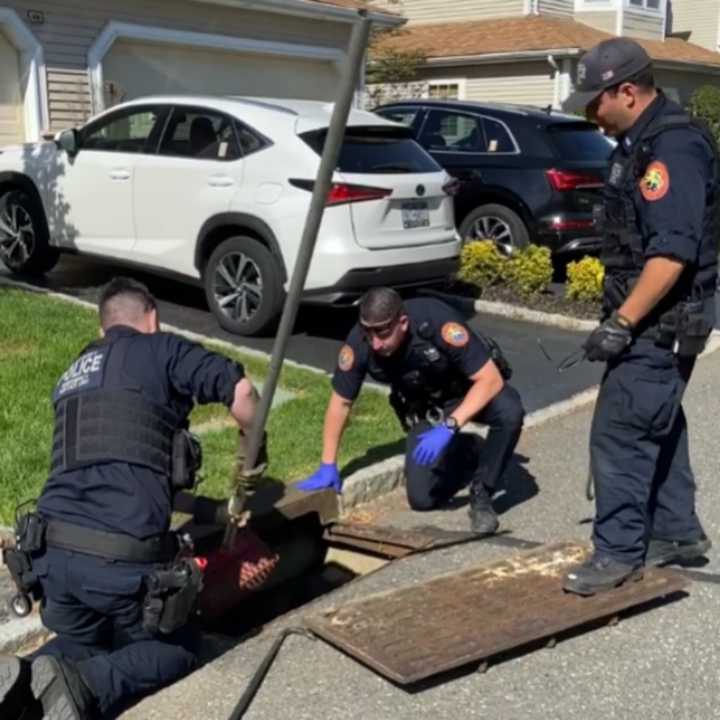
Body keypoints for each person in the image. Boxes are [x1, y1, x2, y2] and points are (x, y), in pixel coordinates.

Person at [0, 277, 260, 719]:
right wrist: (254, 447)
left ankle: (22, 682)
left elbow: (114, 468)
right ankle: (87, 687)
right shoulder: (162, 350)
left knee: (85, 641)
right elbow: (243, 394)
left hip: (51, 560)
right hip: (119, 565)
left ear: (103, 330)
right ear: (152, 318)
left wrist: (199, 505)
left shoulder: (73, 374)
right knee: (176, 650)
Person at [560, 38, 717, 596]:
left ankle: (617, 554)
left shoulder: (671, 149)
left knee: (621, 430)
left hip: (661, 321)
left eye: (594, 99)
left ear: (627, 91)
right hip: (654, 317)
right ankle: (675, 532)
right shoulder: (638, 142)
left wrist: (622, 322)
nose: (587, 111)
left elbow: (672, 254)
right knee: (657, 418)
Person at [297, 288, 525, 534]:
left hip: (469, 391)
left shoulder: (436, 321)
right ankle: (468, 448)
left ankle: (482, 496)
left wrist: (449, 427)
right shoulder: (359, 343)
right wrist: (328, 463)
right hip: (430, 408)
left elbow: (490, 380)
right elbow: (340, 402)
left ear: (402, 323)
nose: (374, 342)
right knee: (422, 498)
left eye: (382, 333)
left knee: (509, 411)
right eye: (368, 332)